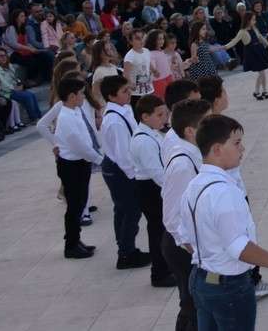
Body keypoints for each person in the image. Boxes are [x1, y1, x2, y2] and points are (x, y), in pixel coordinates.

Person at [181, 115, 268, 331]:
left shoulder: (193, 186)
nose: (242, 148)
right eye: (237, 143)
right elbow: (238, 248)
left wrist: (211, 257)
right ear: (217, 149)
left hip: (200, 280)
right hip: (228, 287)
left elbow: (184, 237)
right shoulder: (224, 192)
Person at [162, 99, 212, 331]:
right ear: (190, 131)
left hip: (193, 244)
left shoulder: (196, 154)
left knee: (201, 304)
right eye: (207, 122)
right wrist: (196, 252)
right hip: (183, 248)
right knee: (192, 305)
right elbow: (172, 218)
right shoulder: (182, 164)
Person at [98, 74, 149, 269]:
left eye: (128, 89)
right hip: (119, 169)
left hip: (120, 167)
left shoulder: (124, 109)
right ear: (111, 96)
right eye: (124, 91)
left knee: (123, 209)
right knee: (130, 210)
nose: (129, 93)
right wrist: (134, 177)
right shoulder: (115, 121)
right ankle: (126, 254)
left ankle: (125, 247)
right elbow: (123, 155)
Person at [53, 75, 103, 259]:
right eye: (81, 93)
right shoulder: (66, 117)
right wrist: (99, 159)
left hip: (80, 163)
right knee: (74, 206)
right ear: (72, 96)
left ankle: (76, 240)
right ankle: (71, 245)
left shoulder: (74, 111)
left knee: (80, 203)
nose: (84, 96)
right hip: (72, 166)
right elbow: (79, 145)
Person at [130, 94, 176, 287]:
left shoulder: (152, 132)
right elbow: (157, 173)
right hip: (150, 189)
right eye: (159, 115)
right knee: (158, 232)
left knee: (162, 230)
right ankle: (159, 273)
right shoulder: (144, 141)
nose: (164, 118)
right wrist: (174, 190)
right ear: (145, 117)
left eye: (165, 114)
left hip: (154, 186)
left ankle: (166, 268)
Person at [222, 12, 268, 100]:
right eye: (253, 20)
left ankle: (263, 91)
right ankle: (257, 92)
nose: (255, 21)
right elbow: (234, 41)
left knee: (262, 72)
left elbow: (260, 37)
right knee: (261, 72)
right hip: (252, 53)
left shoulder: (254, 28)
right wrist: (225, 47)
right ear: (248, 20)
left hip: (259, 51)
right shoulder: (242, 32)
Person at [122, 28, 154, 97]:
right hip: (136, 93)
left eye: (142, 38)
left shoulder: (146, 51)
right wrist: (130, 84)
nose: (141, 40)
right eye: (137, 38)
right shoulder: (129, 56)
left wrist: (154, 71)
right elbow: (125, 74)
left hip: (149, 89)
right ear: (131, 42)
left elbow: (149, 64)